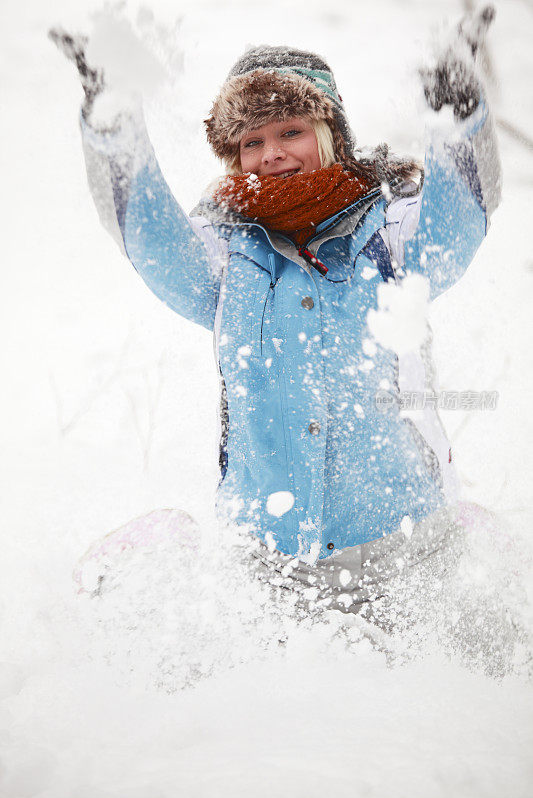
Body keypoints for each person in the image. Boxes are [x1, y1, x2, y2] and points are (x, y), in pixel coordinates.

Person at [50, 8, 501, 619]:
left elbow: (462, 218)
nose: (272, 153)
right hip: (269, 563)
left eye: (289, 131)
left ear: (330, 133)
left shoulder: (391, 235)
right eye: (252, 141)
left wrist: (456, 115)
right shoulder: (225, 257)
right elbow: (145, 236)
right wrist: (112, 125)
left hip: (404, 546)